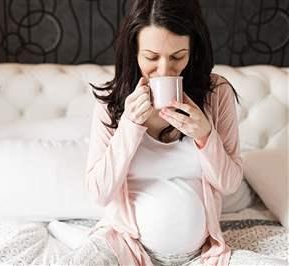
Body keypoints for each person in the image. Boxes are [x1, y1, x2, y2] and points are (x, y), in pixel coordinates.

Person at [83, 0, 244, 265]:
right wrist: (130, 126)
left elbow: (229, 183)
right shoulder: (110, 104)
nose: (164, 70)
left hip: (204, 255)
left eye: (178, 57)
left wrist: (205, 135)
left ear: (193, 50)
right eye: (151, 57)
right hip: (126, 247)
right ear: (133, 52)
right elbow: (99, 193)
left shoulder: (217, 94)